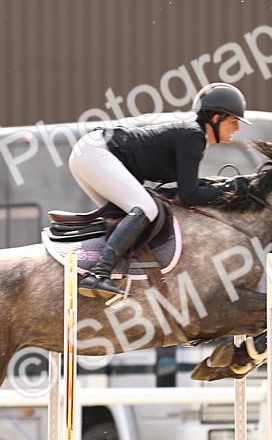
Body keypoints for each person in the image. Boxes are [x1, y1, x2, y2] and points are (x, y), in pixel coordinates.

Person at [68, 82, 249, 300]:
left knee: (127, 218)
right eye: (234, 121)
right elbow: (190, 195)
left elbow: (183, 189)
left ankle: (100, 269)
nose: (237, 128)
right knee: (147, 208)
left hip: (90, 152)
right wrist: (228, 190)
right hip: (98, 152)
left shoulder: (191, 136)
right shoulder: (193, 137)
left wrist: (221, 187)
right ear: (216, 117)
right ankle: (98, 274)